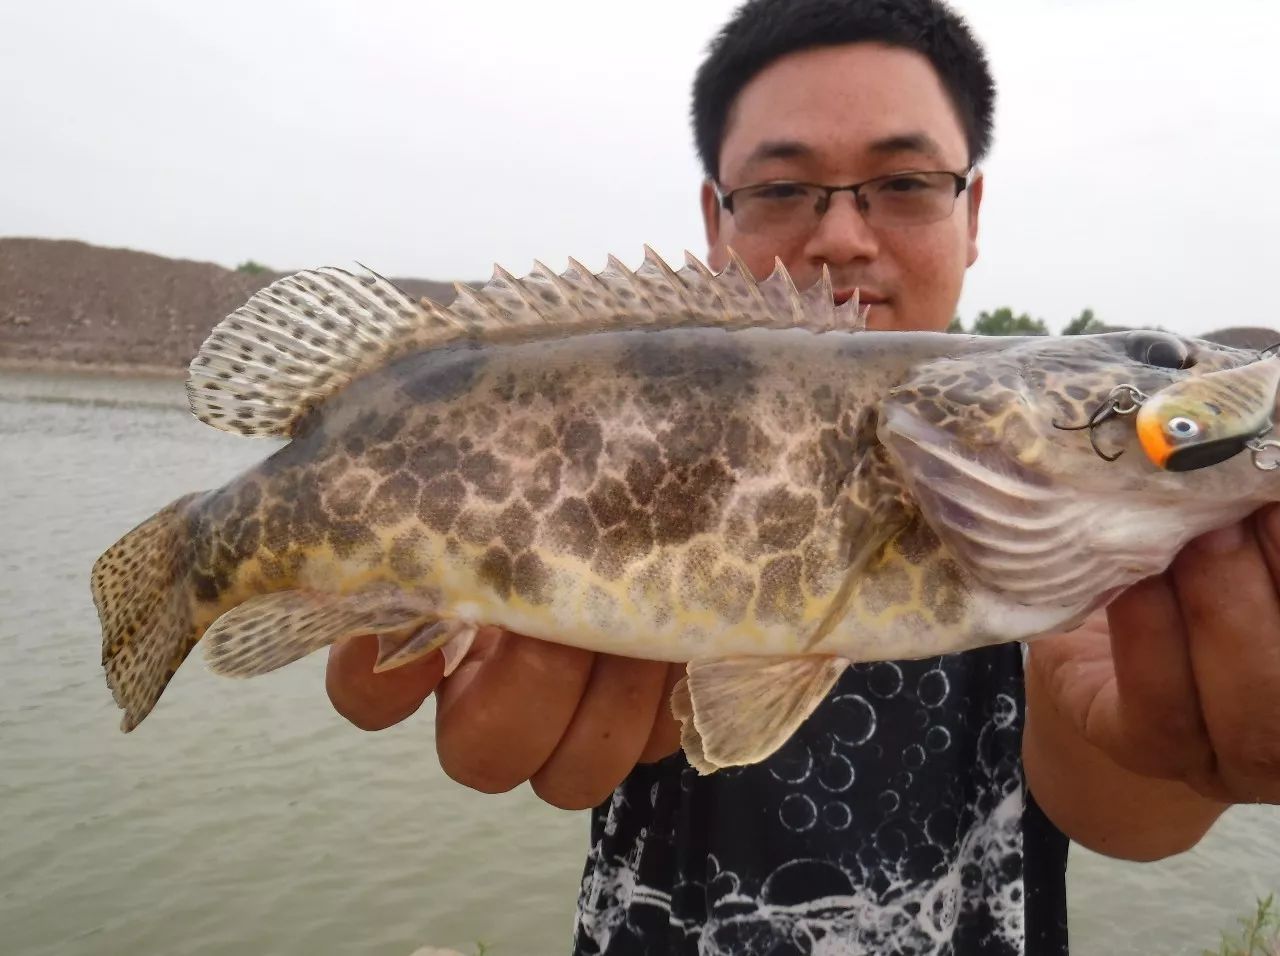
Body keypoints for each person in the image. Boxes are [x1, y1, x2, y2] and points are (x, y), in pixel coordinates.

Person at [326, 1, 1280, 952]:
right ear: (715, 215)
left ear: (973, 210)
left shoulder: (1090, 531)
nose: (842, 239)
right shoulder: (615, 406)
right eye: (784, 190)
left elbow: (1126, 815)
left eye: (903, 182)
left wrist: (1174, 742)